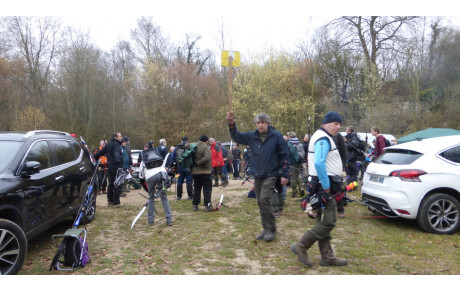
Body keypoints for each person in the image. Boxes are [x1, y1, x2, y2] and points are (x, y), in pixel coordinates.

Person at [291, 111, 347, 267]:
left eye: (339, 124)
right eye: (335, 123)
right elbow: (319, 163)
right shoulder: (323, 138)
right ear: (326, 123)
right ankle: (301, 246)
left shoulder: (321, 136)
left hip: (321, 183)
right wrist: (327, 186)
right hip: (324, 184)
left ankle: (327, 257)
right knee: (329, 221)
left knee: (323, 220)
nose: (338, 127)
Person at [226, 112, 290, 242]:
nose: (260, 125)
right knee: (260, 202)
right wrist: (232, 124)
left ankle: (272, 229)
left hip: (271, 174)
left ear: (267, 123)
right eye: (258, 123)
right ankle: (265, 228)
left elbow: (285, 156)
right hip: (258, 174)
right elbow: (237, 136)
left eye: (263, 123)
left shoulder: (276, 136)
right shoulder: (252, 136)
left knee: (265, 199)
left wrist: (285, 174)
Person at [138, 147, 173, 226]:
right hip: (162, 173)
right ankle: (169, 219)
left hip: (150, 176)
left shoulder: (143, 162)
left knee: (151, 198)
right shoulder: (157, 158)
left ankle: (151, 220)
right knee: (164, 197)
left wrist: (149, 192)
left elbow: (141, 180)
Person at [94, 132, 124, 208]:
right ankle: (116, 203)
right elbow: (117, 157)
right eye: (120, 136)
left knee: (110, 184)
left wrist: (93, 157)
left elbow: (99, 153)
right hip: (116, 167)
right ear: (115, 137)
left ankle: (110, 201)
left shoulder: (108, 145)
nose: (121, 137)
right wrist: (120, 166)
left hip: (110, 167)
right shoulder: (116, 145)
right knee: (117, 184)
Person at [191, 135, 214, 212]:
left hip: (194, 172)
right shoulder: (205, 147)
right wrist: (199, 162)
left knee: (197, 188)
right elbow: (207, 158)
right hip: (205, 171)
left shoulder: (193, 146)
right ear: (206, 141)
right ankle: (207, 206)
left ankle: (195, 205)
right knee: (207, 189)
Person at [332, 132, 347, 218]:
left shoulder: (338, 136)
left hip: (336, 168)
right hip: (324, 167)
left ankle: (340, 210)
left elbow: (344, 153)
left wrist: (341, 166)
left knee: (338, 190)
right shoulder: (322, 135)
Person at [287, 132, 304, 197]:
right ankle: (301, 188)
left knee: (292, 177)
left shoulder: (290, 144)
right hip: (299, 161)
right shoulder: (299, 143)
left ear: (290, 136)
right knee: (297, 175)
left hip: (292, 162)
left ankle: (294, 193)